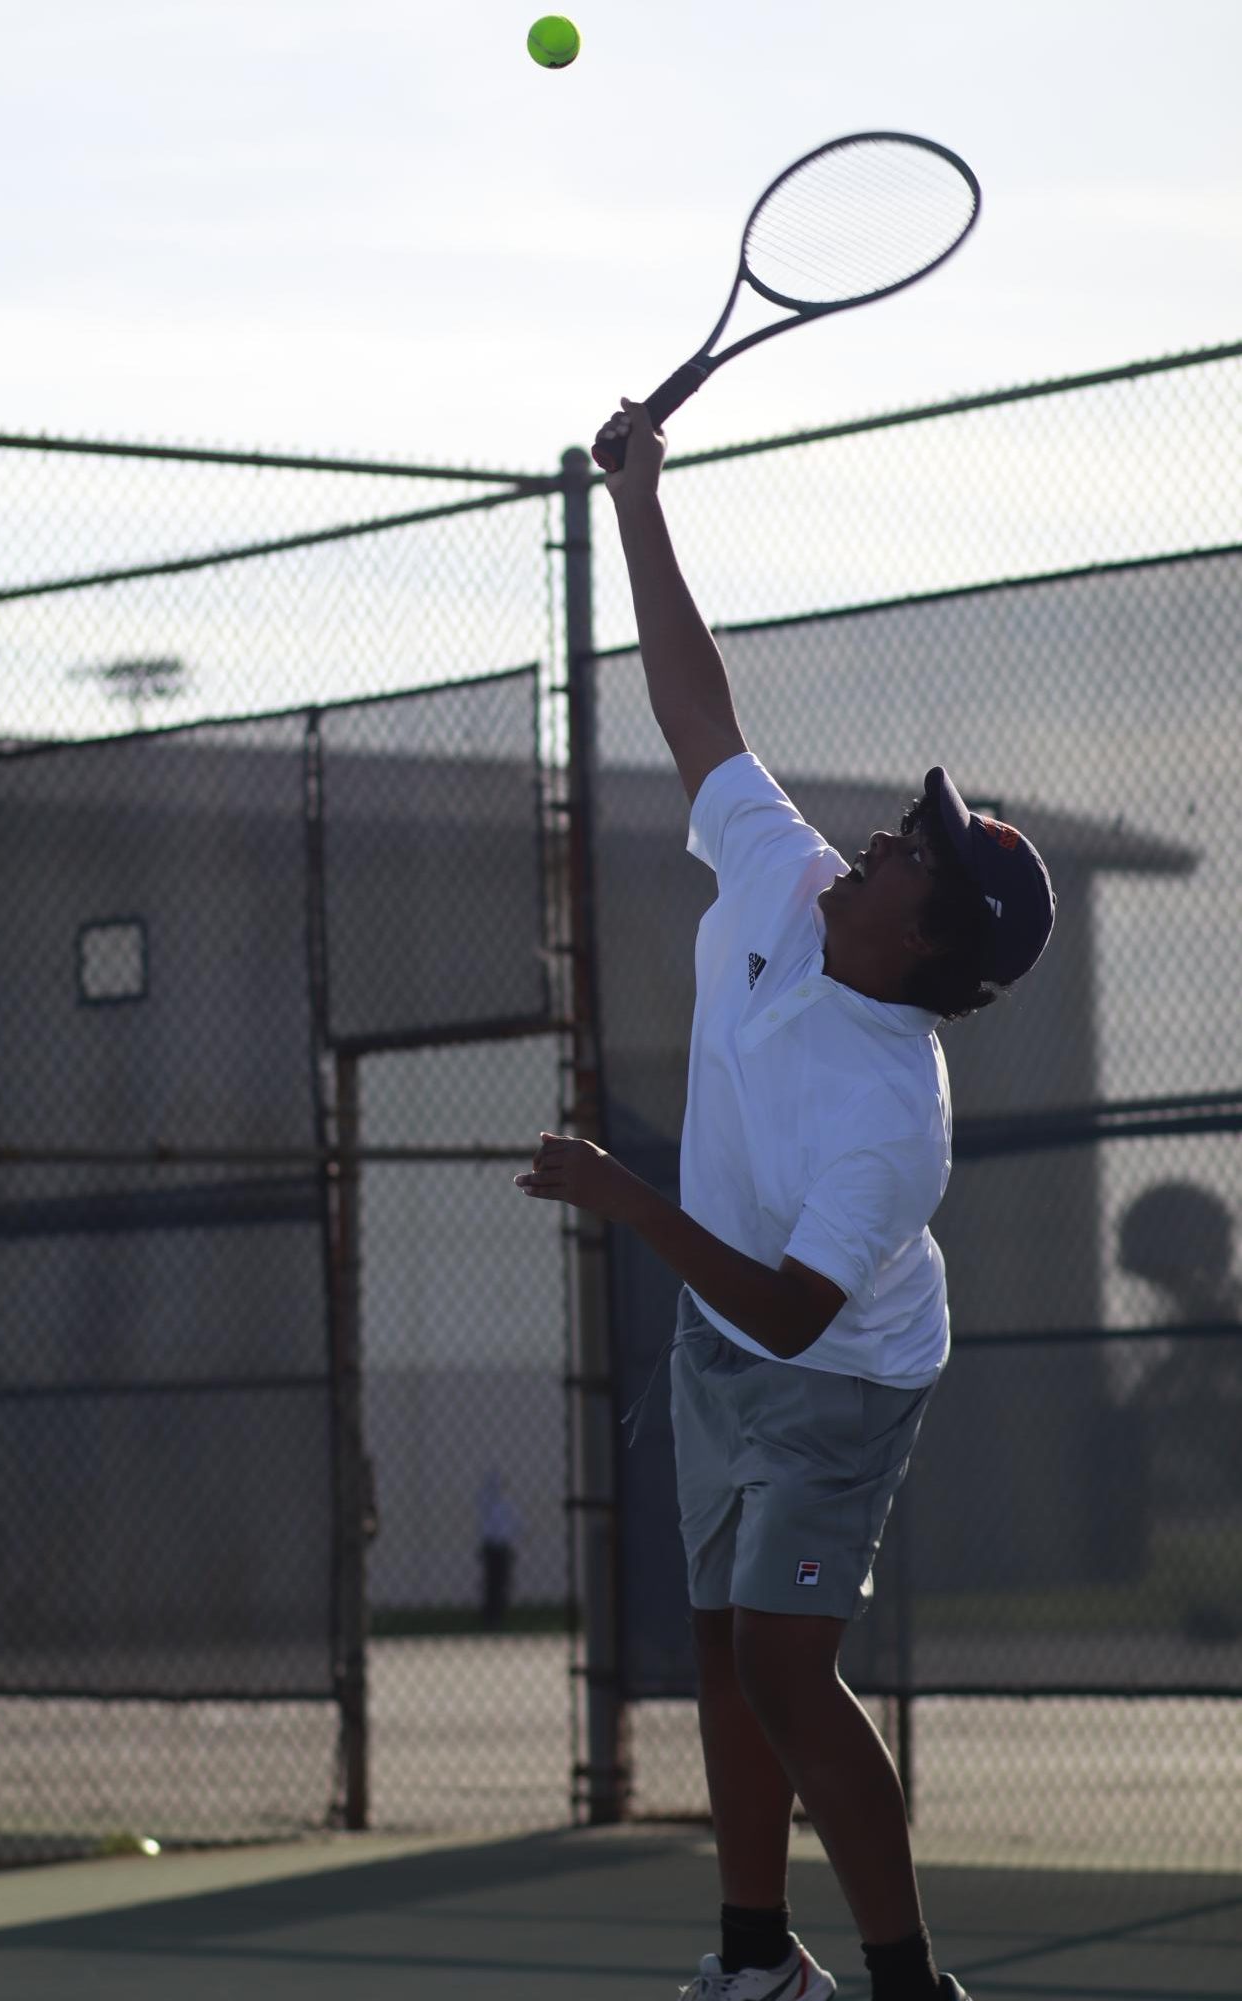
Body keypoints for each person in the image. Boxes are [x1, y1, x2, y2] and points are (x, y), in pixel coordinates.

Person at [516, 401, 1056, 2001]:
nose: (895, 827)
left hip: (835, 1373)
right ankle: (759, 1959)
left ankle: (906, 1981)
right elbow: (697, 704)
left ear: (932, 942)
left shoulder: (894, 1117)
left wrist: (624, 1195)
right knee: (710, 1645)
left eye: (923, 849)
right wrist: (637, 502)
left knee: (775, 1658)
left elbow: (792, 1311)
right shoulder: (789, 878)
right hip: (715, 1341)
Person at [478, 1470, 522, 1628]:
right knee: (492, 1582)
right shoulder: (488, 1504)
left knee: (501, 1581)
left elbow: (517, 1525)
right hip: (492, 1547)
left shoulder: (505, 1505)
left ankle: (498, 1614)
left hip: (501, 1547)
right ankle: (491, 1615)